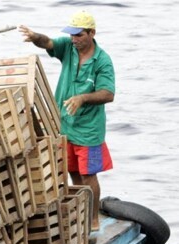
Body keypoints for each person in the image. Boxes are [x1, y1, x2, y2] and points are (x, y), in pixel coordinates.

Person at [19, 11, 115, 228]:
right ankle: (80, 210)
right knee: (72, 170)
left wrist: (83, 98)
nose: (74, 39)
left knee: (88, 174)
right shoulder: (69, 49)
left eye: (79, 35)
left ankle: (93, 219)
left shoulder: (103, 61)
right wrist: (35, 37)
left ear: (91, 33)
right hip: (65, 125)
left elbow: (108, 94)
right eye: (71, 35)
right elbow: (48, 43)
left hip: (88, 129)